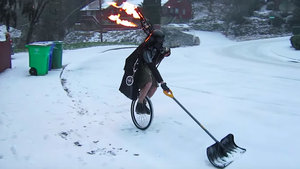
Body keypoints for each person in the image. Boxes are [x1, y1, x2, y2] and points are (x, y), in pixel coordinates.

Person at [135, 29, 171, 114]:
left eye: (162, 40)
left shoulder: (157, 47)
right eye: (159, 40)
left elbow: (163, 52)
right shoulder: (146, 50)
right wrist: (162, 82)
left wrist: (166, 52)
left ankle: (144, 102)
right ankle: (139, 105)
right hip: (142, 66)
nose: (161, 42)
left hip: (150, 67)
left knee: (154, 87)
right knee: (148, 83)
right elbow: (152, 67)